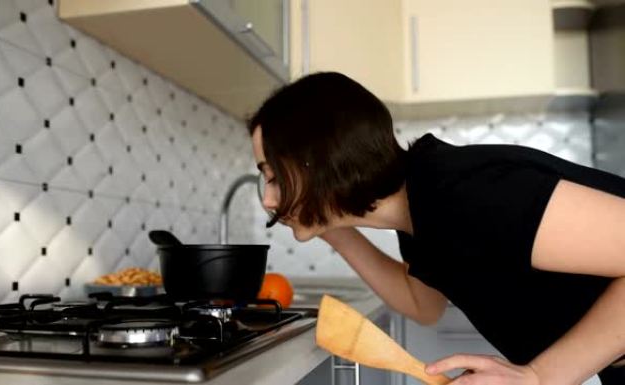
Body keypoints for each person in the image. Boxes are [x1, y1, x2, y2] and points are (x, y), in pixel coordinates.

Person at [248, 72, 625, 385]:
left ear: (318, 162)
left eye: (274, 177)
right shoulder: (420, 214)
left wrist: (541, 376)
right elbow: (422, 306)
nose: (268, 199)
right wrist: (326, 224)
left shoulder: (465, 191)